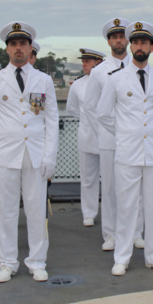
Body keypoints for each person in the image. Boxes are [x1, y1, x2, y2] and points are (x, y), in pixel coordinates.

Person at [0, 21, 58, 283]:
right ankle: (7, 261)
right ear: (7, 50)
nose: (18, 48)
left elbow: (51, 120)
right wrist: (4, 131)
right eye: (13, 44)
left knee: (36, 210)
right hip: (6, 154)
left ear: (30, 47)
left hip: (35, 154)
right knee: (5, 210)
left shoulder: (43, 80)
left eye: (23, 44)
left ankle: (37, 261)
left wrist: (50, 157)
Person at [97, 21, 153, 275]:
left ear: (152, 47)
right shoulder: (116, 79)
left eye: (144, 42)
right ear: (131, 46)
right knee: (127, 207)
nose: (139, 46)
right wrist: (124, 134)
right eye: (136, 42)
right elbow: (103, 114)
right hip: (127, 154)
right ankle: (122, 256)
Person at [83, 18, 144, 251]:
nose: (119, 40)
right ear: (108, 41)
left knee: (135, 189)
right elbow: (90, 107)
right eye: (114, 37)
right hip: (109, 140)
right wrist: (112, 131)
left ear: (128, 40)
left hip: (136, 139)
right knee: (109, 188)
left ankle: (136, 231)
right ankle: (110, 233)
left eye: (122, 36)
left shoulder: (139, 66)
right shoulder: (99, 72)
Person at [65, 47, 107, 227]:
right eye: (83, 61)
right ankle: (89, 213)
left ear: (98, 62)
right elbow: (72, 108)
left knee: (110, 179)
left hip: (107, 135)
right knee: (88, 178)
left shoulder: (108, 80)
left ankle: (112, 213)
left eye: (88, 61)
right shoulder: (78, 85)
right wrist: (87, 120)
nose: (84, 64)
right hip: (87, 136)